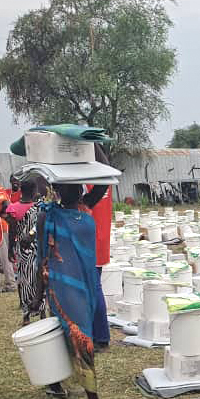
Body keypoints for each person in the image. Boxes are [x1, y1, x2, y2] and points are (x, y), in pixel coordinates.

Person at [31, 182, 111, 399]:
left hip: (87, 282)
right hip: (62, 285)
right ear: (57, 189)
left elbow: (103, 183)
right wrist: (38, 294)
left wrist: (94, 154)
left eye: (76, 186)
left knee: (63, 334)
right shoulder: (47, 216)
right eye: (66, 186)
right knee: (81, 337)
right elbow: (42, 257)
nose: (74, 190)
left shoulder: (85, 207)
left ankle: (55, 383)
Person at [7, 178, 47, 325]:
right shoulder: (40, 208)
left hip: (22, 250)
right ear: (35, 191)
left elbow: (12, 231)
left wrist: (10, 249)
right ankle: (42, 312)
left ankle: (26, 315)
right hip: (38, 248)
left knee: (24, 281)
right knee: (40, 278)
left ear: (20, 190)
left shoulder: (13, 208)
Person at [88, 144, 114, 350]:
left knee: (93, 288)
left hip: (89, 239)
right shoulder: (104, 179)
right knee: (94, 287)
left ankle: (101, 336)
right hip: (100, 238)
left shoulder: (88, 181)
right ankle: (99, 334)